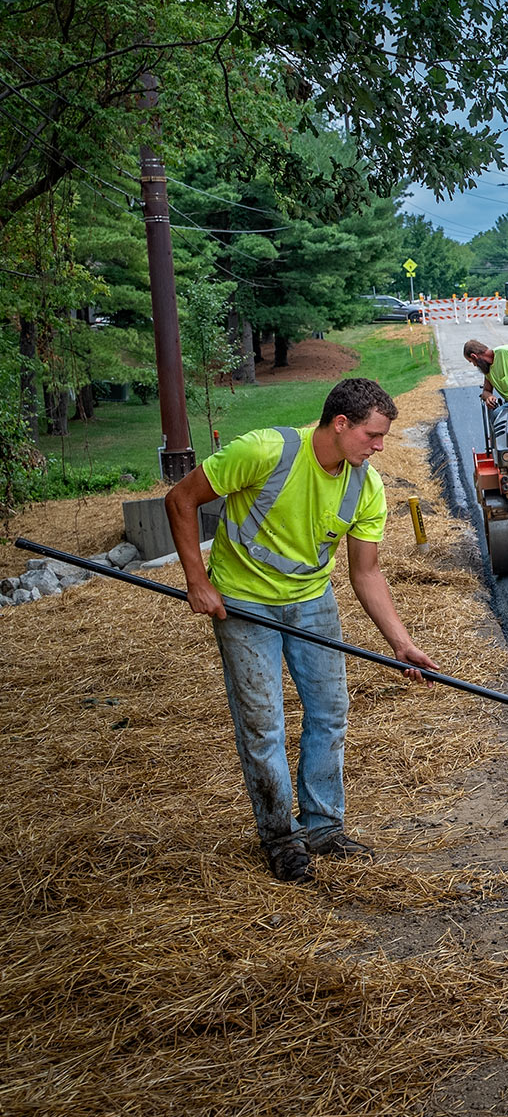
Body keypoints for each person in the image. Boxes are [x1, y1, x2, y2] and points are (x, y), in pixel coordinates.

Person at [164, 378, 440, 882]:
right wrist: (197, 580)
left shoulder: (366, 485)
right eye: (373, 436)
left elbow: (366, 572)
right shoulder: (266, 451)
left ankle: (323, 827)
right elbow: (181, 499)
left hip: (311, 601)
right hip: (244, 605)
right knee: (263, 722)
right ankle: (281, 838)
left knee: (331, 713)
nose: (379, 447)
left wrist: (401, 644)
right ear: (340, 424)